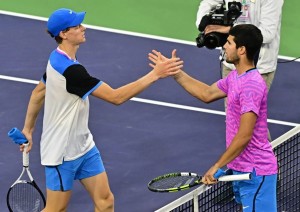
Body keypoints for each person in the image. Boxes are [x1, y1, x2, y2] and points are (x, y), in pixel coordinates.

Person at [20, 8, 183, 212]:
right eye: (78, 26)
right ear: (64, 34)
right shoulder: (72, 71)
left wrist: (29, 129)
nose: (84, 27)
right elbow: (116, 97)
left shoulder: (57, 59)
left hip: (84, 146)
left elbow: (37, 93)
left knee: (105, 202)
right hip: (61, 152)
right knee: (56, 209)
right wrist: (155, 74)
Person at [149, 24, 278, 211]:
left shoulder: (251, 85)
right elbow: (207, 93)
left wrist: (217, 165)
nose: (224, 46)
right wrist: (175, 72)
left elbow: (244, 135)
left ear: (241, 50)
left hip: (256, 173)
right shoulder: (236, 77)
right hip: (241, 169)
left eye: (229, 42)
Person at [196, 0, 284, 141]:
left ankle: (268, 161)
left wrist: (228, 29)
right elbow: (209, 1)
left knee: (251, 124)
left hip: (259, 68)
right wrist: (204, 22)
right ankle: (246, 160)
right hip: (231, 64)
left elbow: (266, 33)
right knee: (234, 119)